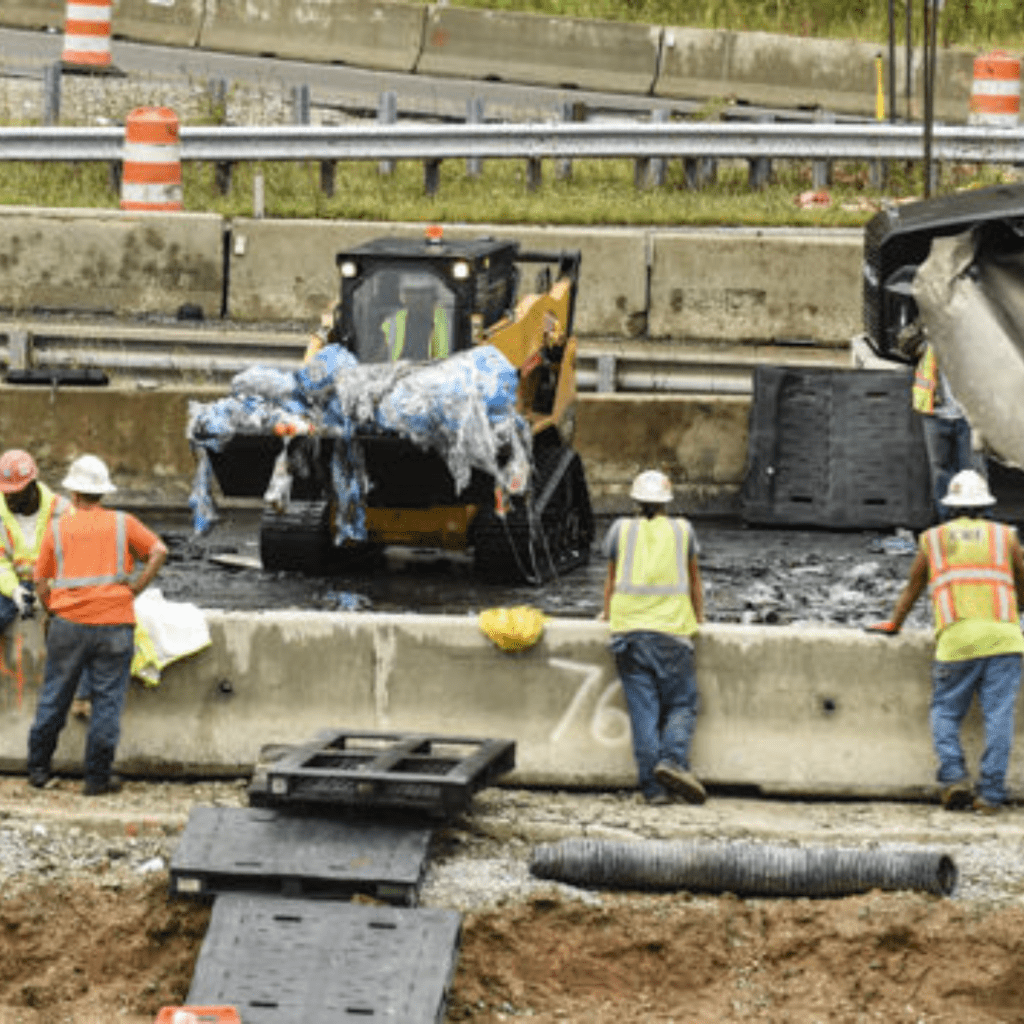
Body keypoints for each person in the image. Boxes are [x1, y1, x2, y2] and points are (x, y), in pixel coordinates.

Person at [867, 469, 1024, 814]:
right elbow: (1022, 584)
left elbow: (913, 588)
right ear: (985, 505)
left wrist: (894, 623)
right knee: (998, 717)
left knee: (946, 711)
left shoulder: (933, 539)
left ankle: (954, 778)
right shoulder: (1006, 537)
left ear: (950, 506)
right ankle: (991, 796)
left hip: (957, 640)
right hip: (1005, 639)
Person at [26, 454, 168, 796]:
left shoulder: (57, 530)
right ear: (102, 493)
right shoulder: (123, 523)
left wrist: (54, 611)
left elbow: (40, 581)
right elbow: (159, 551)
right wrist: (135, 587)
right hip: (115, 624)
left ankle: (39, 771)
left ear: (73, 494)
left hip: (68, 625)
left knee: (54, 698)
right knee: (107, 703)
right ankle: (96, 779)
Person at [600, 469, 706, 806]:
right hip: (672, 633)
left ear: (635, 500)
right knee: (681, 704)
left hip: (628, 633)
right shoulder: (683, 530)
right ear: (666, 502)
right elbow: (694, 583)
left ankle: (653, 789)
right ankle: (673, 761)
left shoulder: (620, 530)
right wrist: (699, 619)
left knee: (643, 712)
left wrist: (608, 614)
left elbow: (611, 581)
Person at [913, 341, 987, 523]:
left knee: (972, 469)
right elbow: (906, 345)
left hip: (968, 415)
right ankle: (946, 521)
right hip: (936, 413)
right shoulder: (928, 333)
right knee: (940, 472)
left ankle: (979, 522)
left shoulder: (970, 337)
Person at [0, 449, 70, 634]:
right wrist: (14, 590)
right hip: (12, 584)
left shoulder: (62, 512)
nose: (8, 498)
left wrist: (45, 591)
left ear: (32, 486)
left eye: (15, 493)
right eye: (5, 492)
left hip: (52, 585)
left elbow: (70, 562)